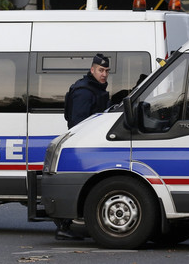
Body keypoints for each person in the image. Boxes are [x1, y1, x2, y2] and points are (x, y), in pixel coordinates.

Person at [57, 53, 111, 240]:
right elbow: (78, 123)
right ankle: (64, 226)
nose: (104, 74)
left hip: (91, 145)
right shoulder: (84, 91)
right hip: (83, 146)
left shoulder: (96, 88)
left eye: (106, 71)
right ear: (92, 70)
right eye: (100, 70)